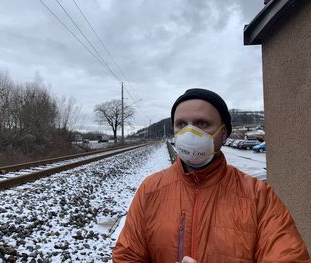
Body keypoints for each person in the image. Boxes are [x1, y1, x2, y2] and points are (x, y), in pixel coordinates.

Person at [112, 88, 311, 263]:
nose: (189, 133)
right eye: (181, 124)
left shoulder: (258, 197)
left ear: (223, 133)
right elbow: (127, 256)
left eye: (201, 123)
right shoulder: (151, 189)